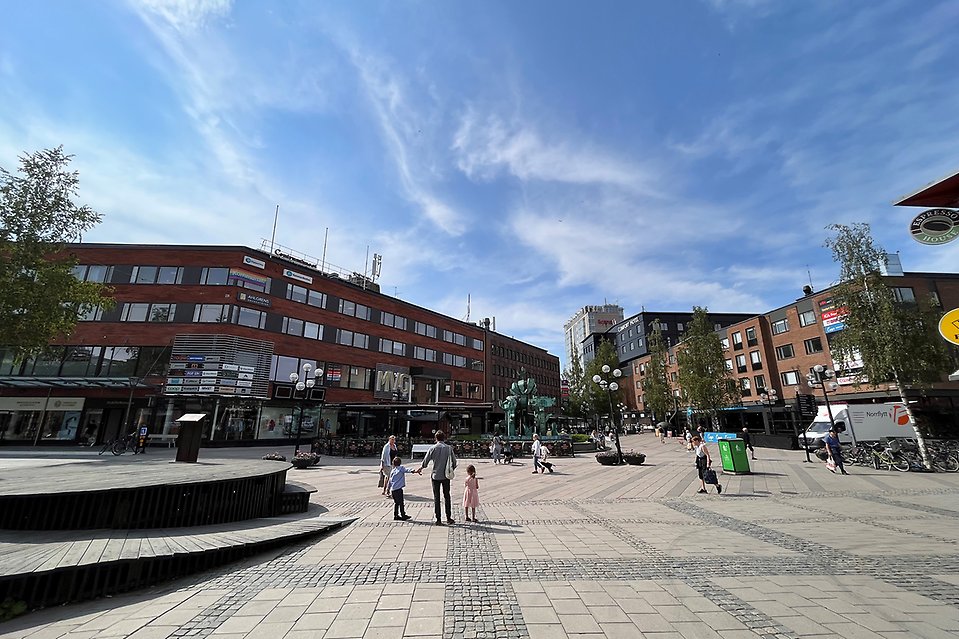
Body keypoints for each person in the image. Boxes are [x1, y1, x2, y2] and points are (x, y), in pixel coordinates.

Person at [421, 430, 457, 525]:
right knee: (447, 496)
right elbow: (454, 462)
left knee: (437, 497)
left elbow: (425, 462)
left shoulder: (432, 448)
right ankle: (449, 517)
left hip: (435, 475)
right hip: (446, 476)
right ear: (444, 438)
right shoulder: (449, 448)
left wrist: (421, 468)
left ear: (435, 438)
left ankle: (438, 519)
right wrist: (450, 469)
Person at [389, 456, 421, 520]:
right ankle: (403, 515)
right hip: (398, 489)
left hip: (393, 489)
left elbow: (390, 480)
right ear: (400, 463)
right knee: (401, 503)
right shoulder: (401, 468)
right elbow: (407, 470)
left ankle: (396, 515)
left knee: (396, 503)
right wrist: (414, 471)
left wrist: (388, 488)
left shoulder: (392, 471)